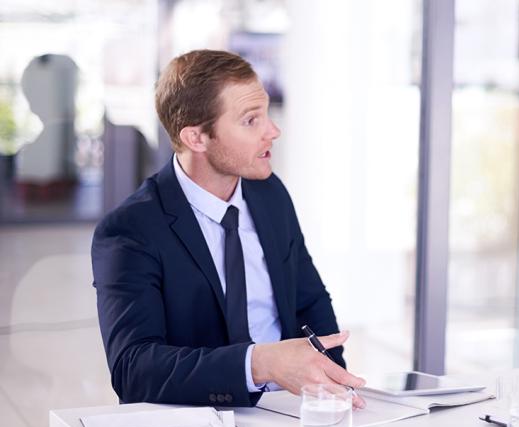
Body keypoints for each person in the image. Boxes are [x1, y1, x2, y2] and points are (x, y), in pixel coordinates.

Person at [91, 49, 365, 407]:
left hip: (288, 410)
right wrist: (261, 364)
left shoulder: (270, 193)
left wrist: (331, 387)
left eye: (266, 113)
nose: (273, 131)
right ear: (197, 138)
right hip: (196, 419)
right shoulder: (130, 230)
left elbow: (309, 300)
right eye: (251, 121)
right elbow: (133, 370)